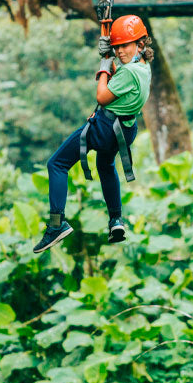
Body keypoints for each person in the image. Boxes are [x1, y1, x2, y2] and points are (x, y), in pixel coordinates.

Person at [33, 15, 153, 253]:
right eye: (117, 47)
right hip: (125, 129)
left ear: (140, 44)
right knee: (105, 165)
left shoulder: (129, 73)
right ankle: (115, 220)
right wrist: (109, 57)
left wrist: (103, 69)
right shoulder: (143, 68)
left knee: (56, 164)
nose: (120, 51)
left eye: (125, 46)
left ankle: (56, 225)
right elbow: (122, 71)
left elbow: (102, 96)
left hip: (106, 128)